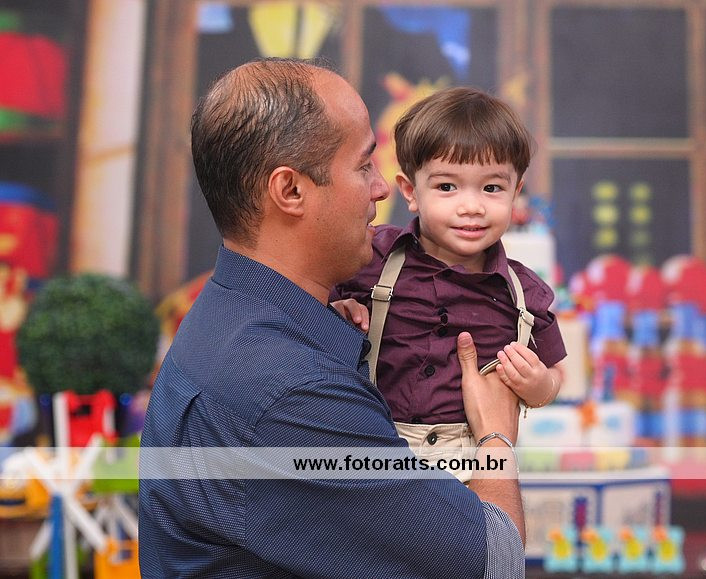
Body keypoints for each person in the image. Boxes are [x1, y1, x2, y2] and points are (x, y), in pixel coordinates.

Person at [139, 58, 527, 578]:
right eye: (364, 166)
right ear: (290, 191)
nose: (381, 189)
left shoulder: (233, 313)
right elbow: (494, 560)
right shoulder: (292, 393)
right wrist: (495, 437)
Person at [331, 87, 567, 480]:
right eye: (447, 187)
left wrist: (540, 386)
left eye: (492, 188)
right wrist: (333, 314)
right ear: (411, 191)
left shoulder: (524, 294)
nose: (471, 206)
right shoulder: (370, 259)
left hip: (471, 465)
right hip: (373, 450)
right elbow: (302, 317)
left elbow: (557, 374)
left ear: (515, 193)